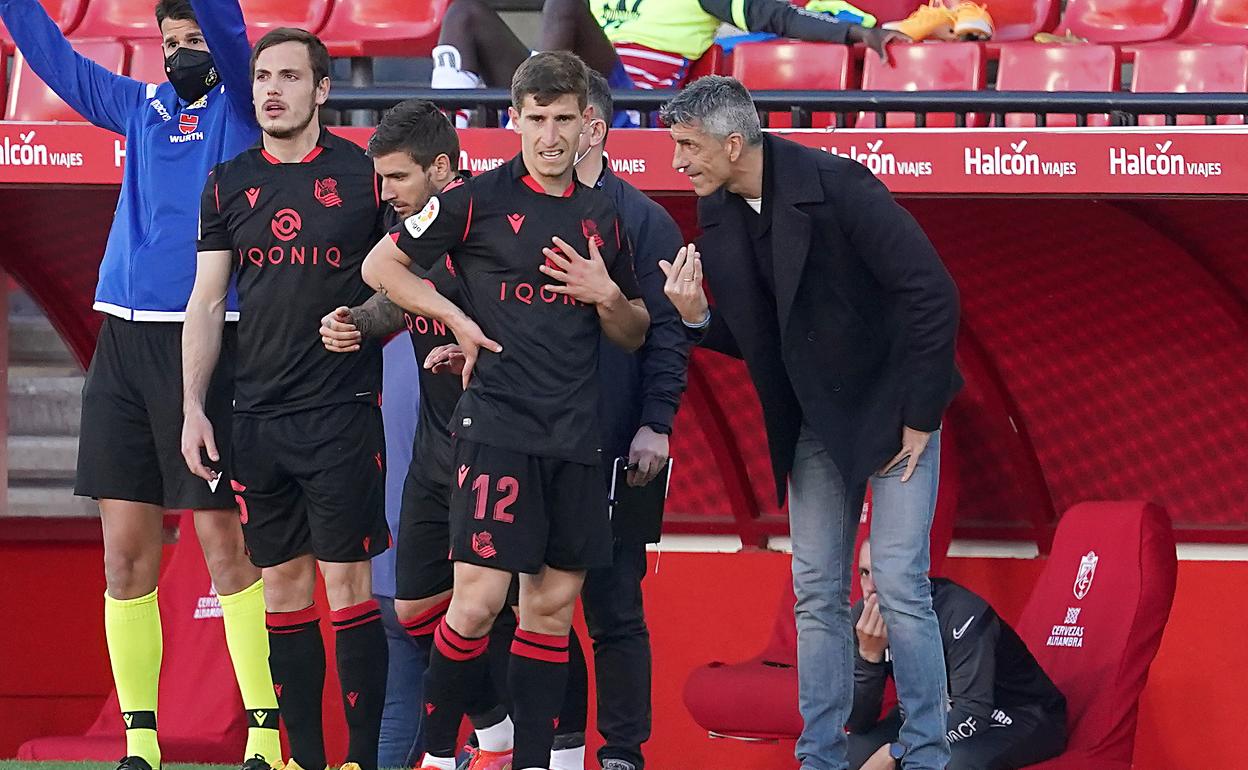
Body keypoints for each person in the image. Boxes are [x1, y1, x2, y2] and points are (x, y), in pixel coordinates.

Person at [0, 1, 277, 768]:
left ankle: (261, 730)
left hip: (208, 339)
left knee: (224, 542)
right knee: (124, 555)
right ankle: (141, 742)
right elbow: (51, 57)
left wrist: (214, 31)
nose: (183, 52)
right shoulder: (139, 104)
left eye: (194, 41)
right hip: (122, 343)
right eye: (170, 42)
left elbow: (229, 31)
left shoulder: (240, 111)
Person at [658, 76, 962, 770]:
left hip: (888, 410)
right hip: (812, 423)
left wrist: (920, 415)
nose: (678, 162)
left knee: (899, 583)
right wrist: (697, 317)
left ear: (734, 144)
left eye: (688, 146)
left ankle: (926, 755)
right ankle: (819, 758)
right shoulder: (719, 208)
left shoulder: (839, 186)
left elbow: (932, 294)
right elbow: (755, 336)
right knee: (817, 591)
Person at [360, 51, 649, 770]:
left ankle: (529, 762)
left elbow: (635, 329)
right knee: (477, 603)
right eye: (537, 119)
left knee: (550, 613)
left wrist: (607, 295)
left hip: (575, 440)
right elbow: (380, 268)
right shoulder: (474, 200)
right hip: (495, 433)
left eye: (564, 119)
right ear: (514, 120)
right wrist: (454, 320)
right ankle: (433, 757)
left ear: (588, 123)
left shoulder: (605, 213)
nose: (551, 135)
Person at [182, 28, 390, 770]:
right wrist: (193, 407)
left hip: (340, 412)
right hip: (256, 417)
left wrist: (365, 323)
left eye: (290, 77)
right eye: (263, 76)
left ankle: (362, 760)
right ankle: (302, 757)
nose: (272, 89)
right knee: (282, 589)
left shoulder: (368, 177)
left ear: (322, 90)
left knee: (347, 583)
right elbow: (207, 303)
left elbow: (401, 287)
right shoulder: (227, 182)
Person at [318, 98, 521, 770]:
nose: (386, 194)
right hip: (437, 449)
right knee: (416, 609)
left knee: (489, 609)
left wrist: (478, 349)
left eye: (398, 179)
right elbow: (397, 297)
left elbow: (533, 328)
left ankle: (475, 752)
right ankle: (494, 733)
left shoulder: (486, 226)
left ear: (440, 169)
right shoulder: (421, 235)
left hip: (490, 443)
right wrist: (357, 323)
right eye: (380, 180)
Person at [430, 0, 904, 126]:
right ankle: (450, 127)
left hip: (629, 103)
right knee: (464, 13)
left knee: (566, 2)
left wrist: (856, 31)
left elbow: (775, 15)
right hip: (570, 91)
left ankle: (530, 115)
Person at [848, 542, 1067, 770]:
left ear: (917, 571)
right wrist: (869, 658)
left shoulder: (961, 612)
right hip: (931, 715)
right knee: (848, 752)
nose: (870, 587)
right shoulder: (864, 619)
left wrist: (898, 752)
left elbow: (973, 712)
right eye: (864, 572)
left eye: (883, 571)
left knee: (950, 764)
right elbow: (859, 722)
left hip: (1016, 715)